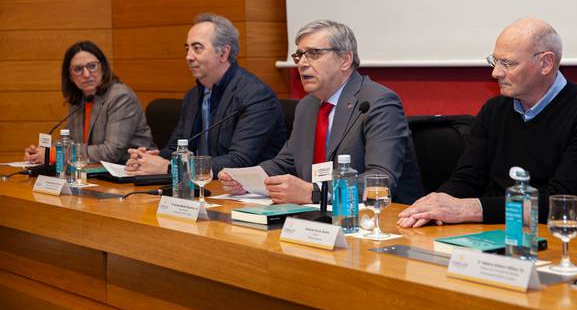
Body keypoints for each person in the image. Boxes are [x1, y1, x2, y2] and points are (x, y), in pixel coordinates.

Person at [398, 17, 577, 230]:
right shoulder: (495, 110)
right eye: (495, 61)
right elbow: (467, 178)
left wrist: (470, 209)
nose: (496, 73)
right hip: (493, 231)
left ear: (546, 63)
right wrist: (434, 205)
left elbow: (561, 201)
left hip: (558, 239)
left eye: (508, 63)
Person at [219, 19, 424, 205]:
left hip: (384, 220)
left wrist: (313, 192)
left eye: (314, 54)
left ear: (345, 59)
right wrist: (246, 179)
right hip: (321, 216)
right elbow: (287, 162)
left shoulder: (377, 102)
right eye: (299, 55)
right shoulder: (307, 106)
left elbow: (381, 180)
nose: (302, 63)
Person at [125, 13, 287, 177]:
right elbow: (176, 149)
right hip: (202, 187)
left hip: (246, 193)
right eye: (187, 48)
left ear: (223, 53)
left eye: (197, 48)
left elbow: (239, 161)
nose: (188, 57)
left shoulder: (256, 96)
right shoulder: (193, 96)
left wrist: (169, 167)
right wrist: (150, 159)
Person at [24, 41, 154, 164]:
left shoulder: (120, 96)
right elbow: (72, 143)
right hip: (95, 171)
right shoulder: (80, 99)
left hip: (130, 170)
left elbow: (111, 152)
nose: (86, 74)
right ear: (69, 76)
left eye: (92, 66)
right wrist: (41, 152)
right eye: (78, 69)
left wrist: (54, 154)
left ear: (103, 67)